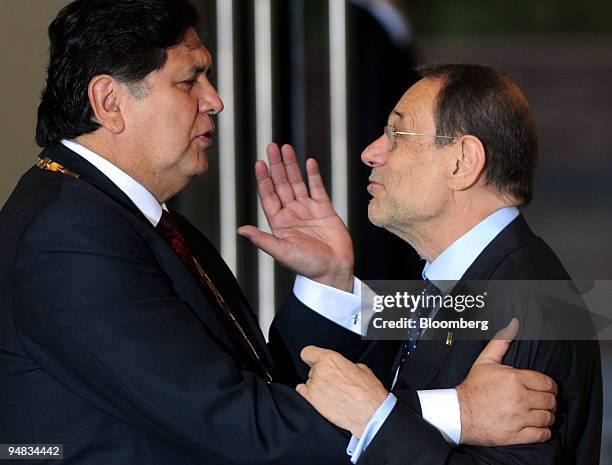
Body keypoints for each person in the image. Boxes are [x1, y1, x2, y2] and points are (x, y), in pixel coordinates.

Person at [0, 1, 559, 463]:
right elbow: (237, 423)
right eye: (190, 80)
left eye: (398, 134)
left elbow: (263, 388)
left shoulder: (133, 219)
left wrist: (326, 281)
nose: (214, 100)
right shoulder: (69, 233)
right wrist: (456, 411)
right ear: (109, 101)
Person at [250, 64, 601, 464]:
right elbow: (328, 398)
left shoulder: (530, 303)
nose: (370, 152)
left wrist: (377, 419)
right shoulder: (460, 283)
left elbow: (368, 408)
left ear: (462, 162)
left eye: (397, 134)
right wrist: (328, 278)